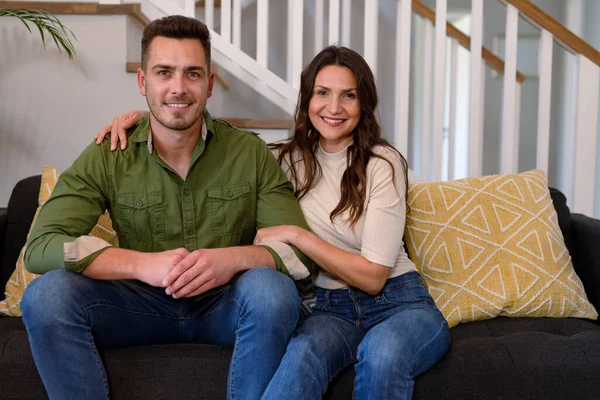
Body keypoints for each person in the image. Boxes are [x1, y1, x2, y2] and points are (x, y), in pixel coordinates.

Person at [98, 46, 451, 399]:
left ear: (364, 104)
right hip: (331, 309)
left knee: (382, 355)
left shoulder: (383, 163)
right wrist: (145, 121)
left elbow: (374, 277)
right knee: (300, 358)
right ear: (307, 99)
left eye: (349, 96)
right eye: (322, 93)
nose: (334, 107)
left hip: (400, 304)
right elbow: (208, 140)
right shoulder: (284, 160)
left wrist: (300, 236)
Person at [20, 15, 315, 400]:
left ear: (209, 85)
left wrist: (231, 259)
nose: (178, 88)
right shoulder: (109, 154)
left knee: (272, 291)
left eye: (192, 74)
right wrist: (143, 265)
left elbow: (297, 256)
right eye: (164, 72)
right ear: (143, 82)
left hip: (222, 308)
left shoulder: (249, 153)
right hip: (134, 307)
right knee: (46, 297)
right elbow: (40, 246)